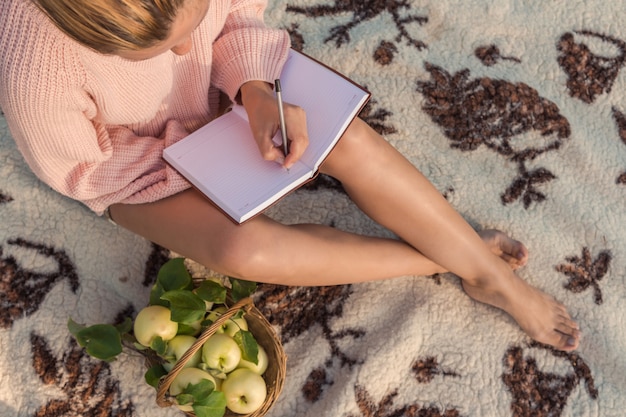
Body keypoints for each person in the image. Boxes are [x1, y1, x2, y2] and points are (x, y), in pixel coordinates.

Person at [0, 0, 580, 351]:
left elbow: (237, 19)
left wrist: (252, 87)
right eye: (157, 51)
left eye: (188, 26)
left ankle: (491, 279)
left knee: (346, 139)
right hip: (128, 165)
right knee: (243, 249)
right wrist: (196, 156)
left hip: (227, 89)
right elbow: (82, 166)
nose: (182, 55)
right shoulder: (34, 60)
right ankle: (451, 256)